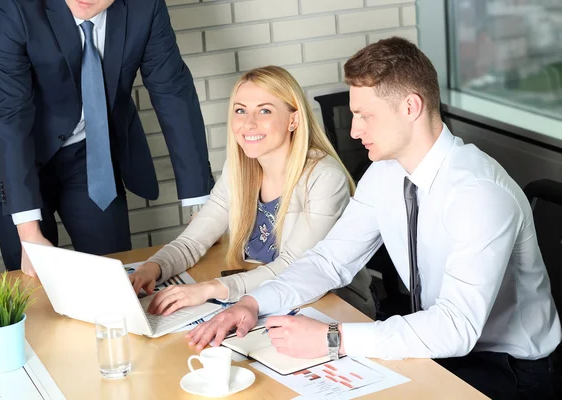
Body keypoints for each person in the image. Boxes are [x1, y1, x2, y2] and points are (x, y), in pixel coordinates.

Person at [186, 38, 562, 399]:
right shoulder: (386, 173)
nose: (353, 130)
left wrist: (332, 338)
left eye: (365, 116)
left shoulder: (478, 192)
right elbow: (330, 259)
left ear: (410, 107)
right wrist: (253, 303)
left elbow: (456, 327)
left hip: (507, 369)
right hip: (437, 350)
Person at [0, 0, 213, 276]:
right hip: (12, 152)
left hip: (89, 151)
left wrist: (200, 207)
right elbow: (11, 117)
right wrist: (29, 232)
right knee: (35, 279)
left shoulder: (146, 6)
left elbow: (173, 94)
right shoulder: (15, 5)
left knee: (111, 270)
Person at [129, 66, 375, 318]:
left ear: (294, 120)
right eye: (240, 110)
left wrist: (213, 288)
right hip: (261, 299)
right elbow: (191, 243)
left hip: (330, 307)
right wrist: (152, 268)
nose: (249, 123)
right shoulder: (238, 171)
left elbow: (294, 268)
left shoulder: (323, 178)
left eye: (265, 110)